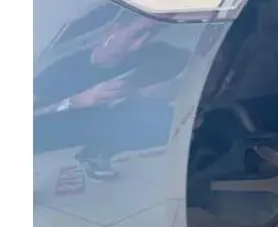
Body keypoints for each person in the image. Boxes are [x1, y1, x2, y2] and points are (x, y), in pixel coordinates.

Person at [34, 11, 189, 180]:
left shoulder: (158, 54)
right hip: (72, 159)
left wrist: (174, 86)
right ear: (112, 30)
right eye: (136, 34)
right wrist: (77, 100)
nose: (139, 44)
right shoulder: (60, 71)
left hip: (167, 153)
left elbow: (196, 68)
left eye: (151, 34)